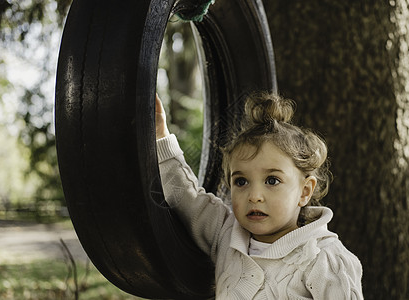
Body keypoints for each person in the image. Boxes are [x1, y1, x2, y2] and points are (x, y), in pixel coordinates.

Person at [155, 92, 363, 299]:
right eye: (241, 181)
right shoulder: (226, 234)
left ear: (304, 191)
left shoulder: (324, 258)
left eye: (272, 180)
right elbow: (186, 196)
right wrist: (160, 137)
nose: (254, 196)